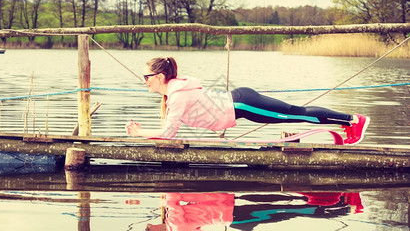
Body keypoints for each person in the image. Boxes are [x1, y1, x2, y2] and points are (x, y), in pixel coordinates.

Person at [125, 57, 370, 145]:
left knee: (299, 113)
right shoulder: (174, 92)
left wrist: (139, 133)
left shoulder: (177, 94)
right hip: (241, 103)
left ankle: (353, 120)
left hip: (242, 105)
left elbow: (168, 133)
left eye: (146, 76)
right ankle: (349, 123)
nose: (143, 80)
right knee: (297, 112)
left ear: (159, 76)